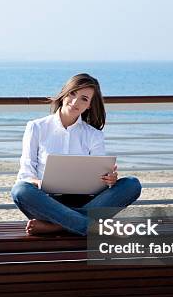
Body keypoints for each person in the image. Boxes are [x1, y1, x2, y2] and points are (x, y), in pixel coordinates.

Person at [10, 73, 142, 236]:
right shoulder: (36, 127)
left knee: (132, 184)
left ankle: (57, 226)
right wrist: (41, 182)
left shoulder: (93, 135)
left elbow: (99, 181)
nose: (75, 102)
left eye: (84, 99)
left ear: (89, 106)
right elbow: (25, 174)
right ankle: (89, 225)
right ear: (64, 93)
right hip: (47, 202)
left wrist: (110, 180)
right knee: (20, 190)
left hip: (85, 200)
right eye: (73, 93)